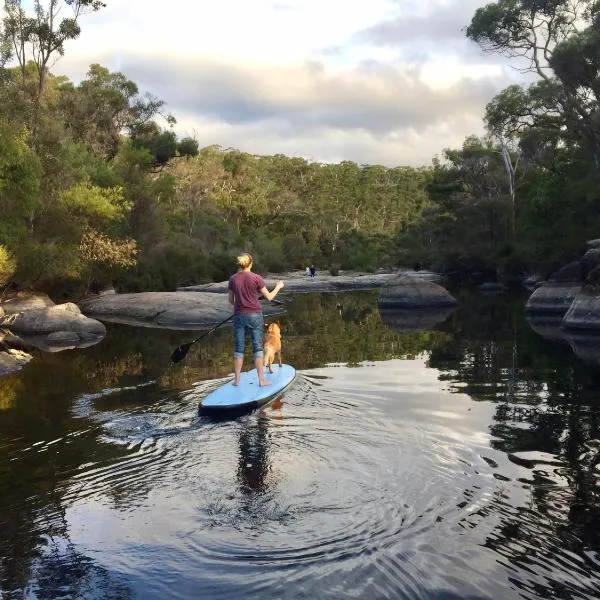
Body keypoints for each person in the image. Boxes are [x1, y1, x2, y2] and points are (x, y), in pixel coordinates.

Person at [228, 253, 284, 386]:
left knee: (239, 347)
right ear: (251, 264)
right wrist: (278, 286)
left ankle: (236, 381)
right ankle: (261, 380)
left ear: (240, 265)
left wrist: (242, 300)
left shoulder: (233, 279)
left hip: (239, 316)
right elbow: (269, 297)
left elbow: (231, 300)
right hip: (254, 315)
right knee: (257, 347)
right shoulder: (257, 278)